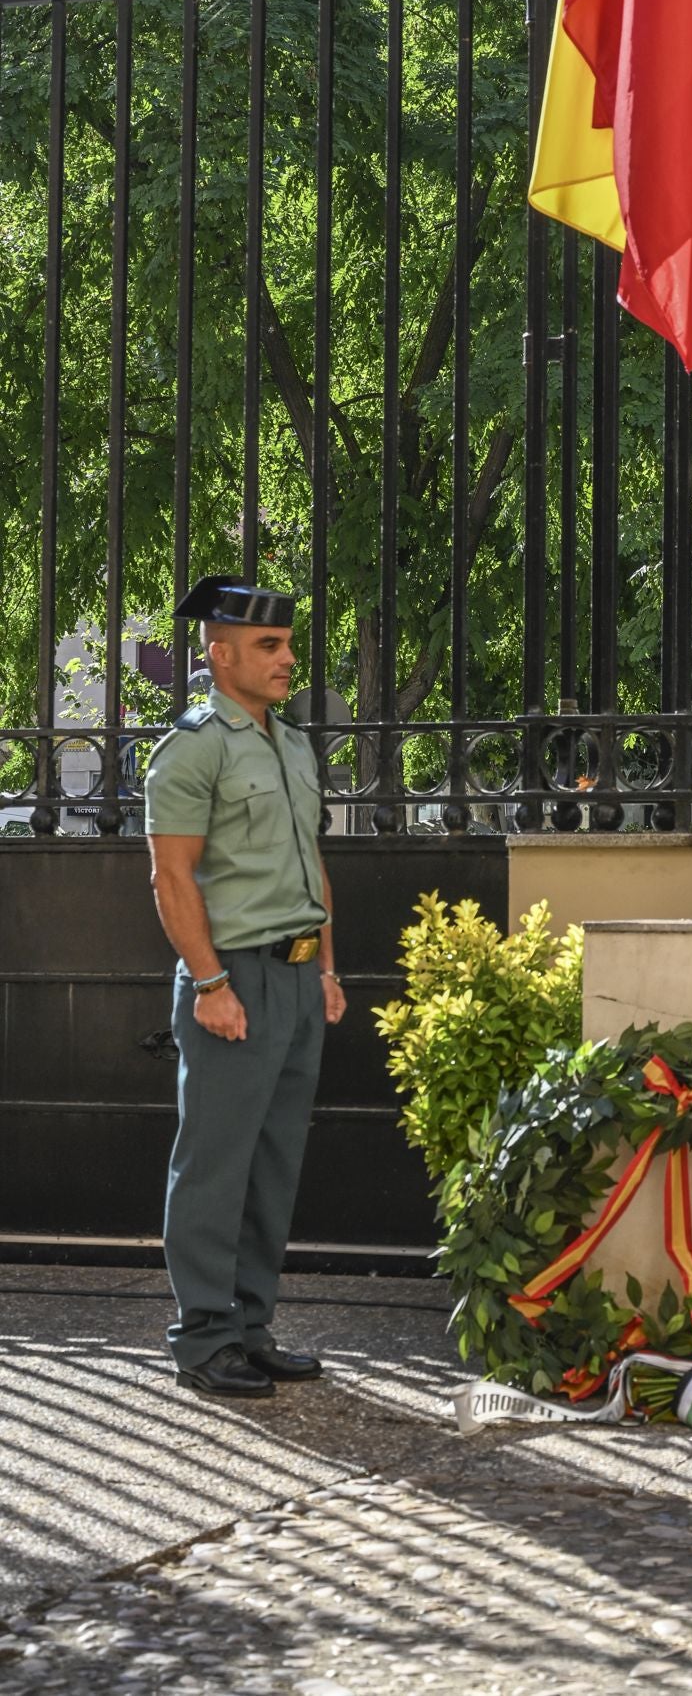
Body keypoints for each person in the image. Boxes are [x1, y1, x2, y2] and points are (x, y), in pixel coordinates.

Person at [143, 576, 346, 1396]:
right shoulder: (193, 747)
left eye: (288, 644)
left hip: (297, 982)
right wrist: (210, 983)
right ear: (218, 653)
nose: (287, 659)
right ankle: (202, 1337)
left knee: (273, 1164)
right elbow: (170, 877)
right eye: (269, 646)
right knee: (215, 1165)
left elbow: (312, 866)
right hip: (234, 983)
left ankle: (251, 1327)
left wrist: (328, 969)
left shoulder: (292, 743)